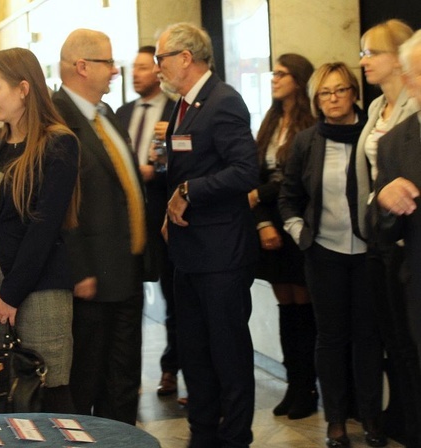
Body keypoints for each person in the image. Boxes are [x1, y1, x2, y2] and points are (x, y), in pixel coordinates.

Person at [0, 47, 80, 413]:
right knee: (7, 395)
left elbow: (43, 228)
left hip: (38, 291)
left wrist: (12, 293)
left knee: (46, 392)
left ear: (23, 88)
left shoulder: (59, 143)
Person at [156, 22, 259, 447]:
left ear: (185, 58)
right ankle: (202, 435)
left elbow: (244, 171)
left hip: (221, 255)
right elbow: (188, 165)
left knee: (228, 355)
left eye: (162, 58)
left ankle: (235, 439)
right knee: (194, 354)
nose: (158, 66)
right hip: (188, 252)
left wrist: (187, 191)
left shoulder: (224, 101)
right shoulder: (182, 105)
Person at [278, 62, 386, 448]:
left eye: (340, 90)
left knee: (368, 338)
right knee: (330, 339)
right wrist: (300, 234)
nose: (333, 99)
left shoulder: (373, 135)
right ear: (316, 100)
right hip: (323, 254)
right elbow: (288, 197)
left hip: (369, 255)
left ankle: (372, 417)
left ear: (354, 93)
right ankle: (336, 420)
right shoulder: (307, 141)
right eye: (325, 93)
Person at [53, 28, 147, 425]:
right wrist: (79, 268)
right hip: (91, 277)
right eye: (108, 62)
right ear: (82, 66)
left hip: (125, 269)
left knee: (122, 380)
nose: (114, 71)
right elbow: (60, 205)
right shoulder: (56, 119)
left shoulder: (106, 115)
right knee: (87, 380)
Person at [355, 19, 421, 447]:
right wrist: (383, 198)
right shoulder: (397, 137)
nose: (412, 79)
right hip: (405, 263)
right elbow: (381, 204)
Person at [248, 54, 317, 419]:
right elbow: (254, 176)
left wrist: (263, 196)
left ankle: (306, 387)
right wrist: (262, 220)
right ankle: (294, 383)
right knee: (286, 305)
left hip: (298, 222)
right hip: (270, 226)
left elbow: (298, 178)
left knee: (304, 307)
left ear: (299, 80)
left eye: (282, 73)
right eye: (273, 72)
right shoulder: (271, 121)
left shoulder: (311, 122)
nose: (274, 78)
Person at [114, 45, 180, 400]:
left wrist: (157, 170)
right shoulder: (121, 113)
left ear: (158, 71)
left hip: (163, 212)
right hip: (128, 221)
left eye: (143, 67)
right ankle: (128, 379)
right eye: (133, 68)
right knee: (130, 300)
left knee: (175, 296)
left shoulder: (176, 111)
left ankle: (172, 369)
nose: (136, 74)